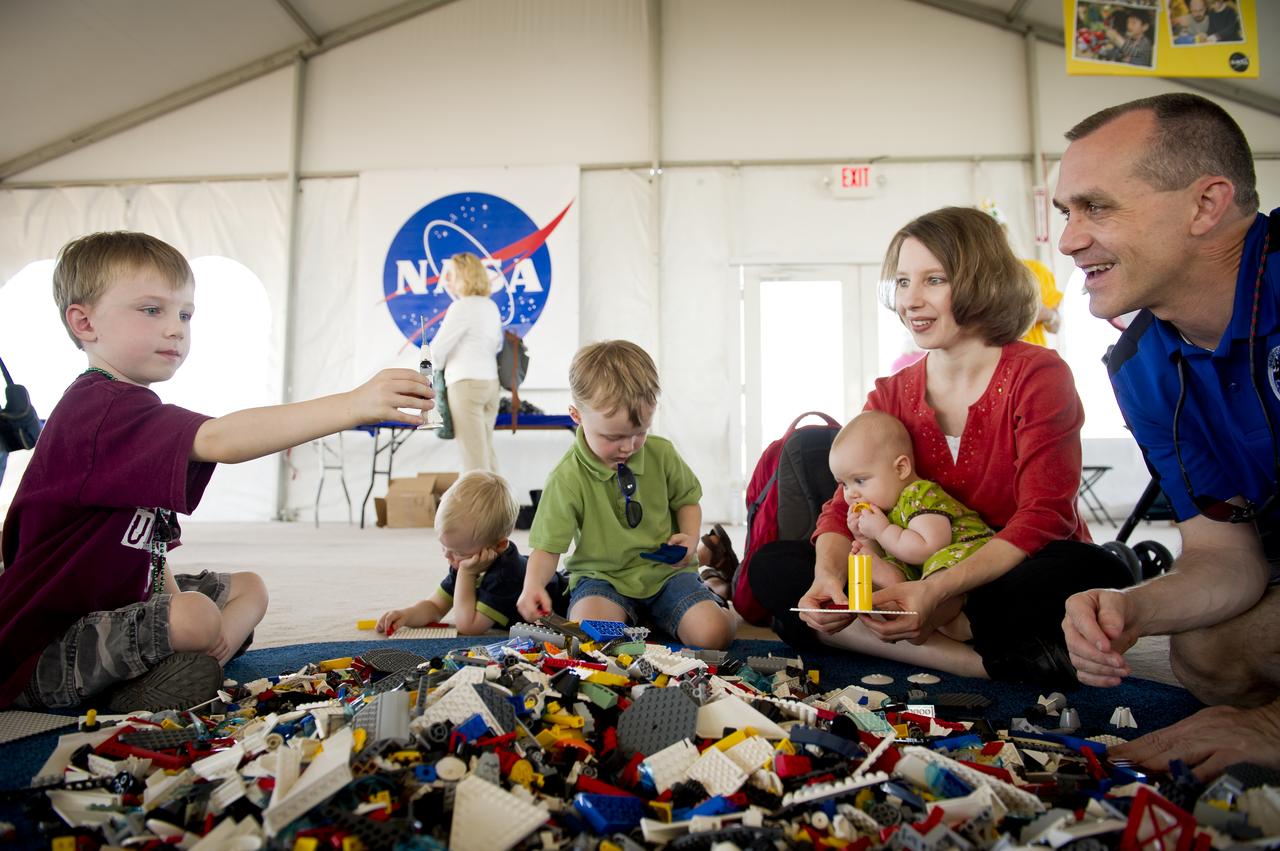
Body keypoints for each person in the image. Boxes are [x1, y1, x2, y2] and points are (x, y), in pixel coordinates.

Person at [0, 231, 434, 711]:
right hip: (43, 649)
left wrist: (177, 607)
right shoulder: (97, 409)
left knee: (248, 587)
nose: (176, 329)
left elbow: (154, 551)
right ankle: (175, 665)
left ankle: (202, 658)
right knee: (197, 614)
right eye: (152, 310)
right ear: (84, 322)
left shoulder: (132, 410)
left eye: (185, 314)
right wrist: (352, 405)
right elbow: (222, 439)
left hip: (119, 604)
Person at [747, 207, 1132, 686]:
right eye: (903, 282)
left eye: (933, 279)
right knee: (773, 568)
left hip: (1002, 570)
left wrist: (936, 590)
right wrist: (827, 578)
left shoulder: (1037, 374)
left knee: (1094, 570)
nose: (911, 300)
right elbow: (839, 506)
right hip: (907, 567)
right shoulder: (889, 393)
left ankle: (874, 635)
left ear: (982, 281)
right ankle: (982, 662)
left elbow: (1045, 516)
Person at [1055, 93, 1279, 779]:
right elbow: (1224, 553)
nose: (1067, 239)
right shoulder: (1146, 365)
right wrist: (1131, 606)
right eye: (1066, 212)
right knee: (1204, 650)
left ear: (1206, 205)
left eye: (1096, 206)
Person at [517, 340, 735, 650]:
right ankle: (645, 620)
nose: (628, 447)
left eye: (640, 432)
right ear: (576, 415)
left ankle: (717, 597)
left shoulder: (662, 454)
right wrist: (533, 585)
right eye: (613, 436)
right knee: (590, 638)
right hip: (601, 578)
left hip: (666, 575)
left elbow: (687, 499)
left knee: (713, 636)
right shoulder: (566, 477)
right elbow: (547, 547)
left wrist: (689, 536)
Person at [376, 471, 567, 636]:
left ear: (499, 546)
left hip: (565, 601)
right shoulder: (465, 559)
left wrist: (466, 574)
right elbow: (435, 606)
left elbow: (468, 627)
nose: (448, 557)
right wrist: (407, 615)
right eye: (445, 548)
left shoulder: (505, 574)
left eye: (457, 552)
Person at [832, 411, 993, 592]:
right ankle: (894, 582)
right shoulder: (885, 507)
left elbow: (928, 548)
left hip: (969, 551)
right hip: (920, 565)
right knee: (895, 564)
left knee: (939, 573)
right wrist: (865, 537)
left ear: (901, 469)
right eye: (844, 484)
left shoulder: (920, 494)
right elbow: (894, 549)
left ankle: (944, 614)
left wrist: (882, 530)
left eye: (860, 480)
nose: (851, 494)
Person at [432, 252, 503, 473]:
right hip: (491, 384)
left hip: (465, 385)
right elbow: (498, 346)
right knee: (486, 456)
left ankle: (482, 508)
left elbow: (436, 350)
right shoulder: (490, 307)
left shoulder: (462, 307)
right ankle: (502, 506)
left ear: (464, 276)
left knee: (474, 463)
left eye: (451, 275)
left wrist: (438, 371)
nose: (447, 281)